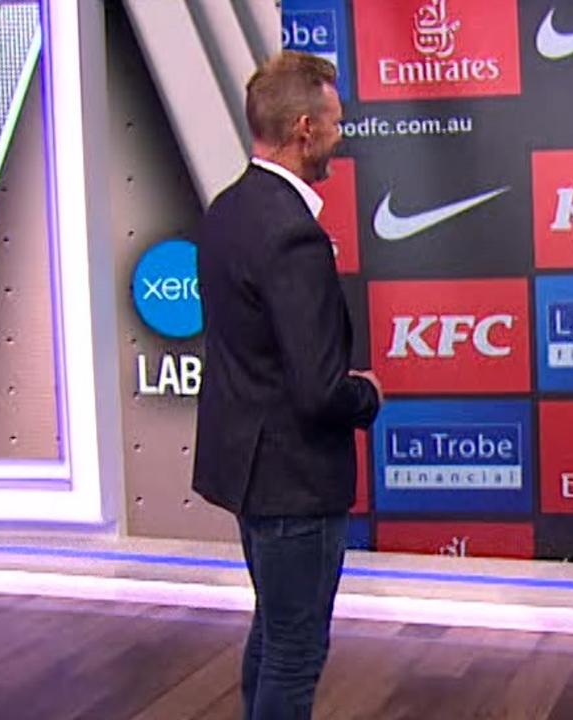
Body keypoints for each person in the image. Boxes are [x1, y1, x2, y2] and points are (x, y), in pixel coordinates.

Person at [191, 51, 382, 719]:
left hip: (251, 475)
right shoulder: (291, 234)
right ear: (304, 129)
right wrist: (368, 394)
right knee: (295, 651)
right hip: (294, 482)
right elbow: (319, 390)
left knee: (273, 633)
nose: (340, 132)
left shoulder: (227, 210)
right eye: (334, 122)